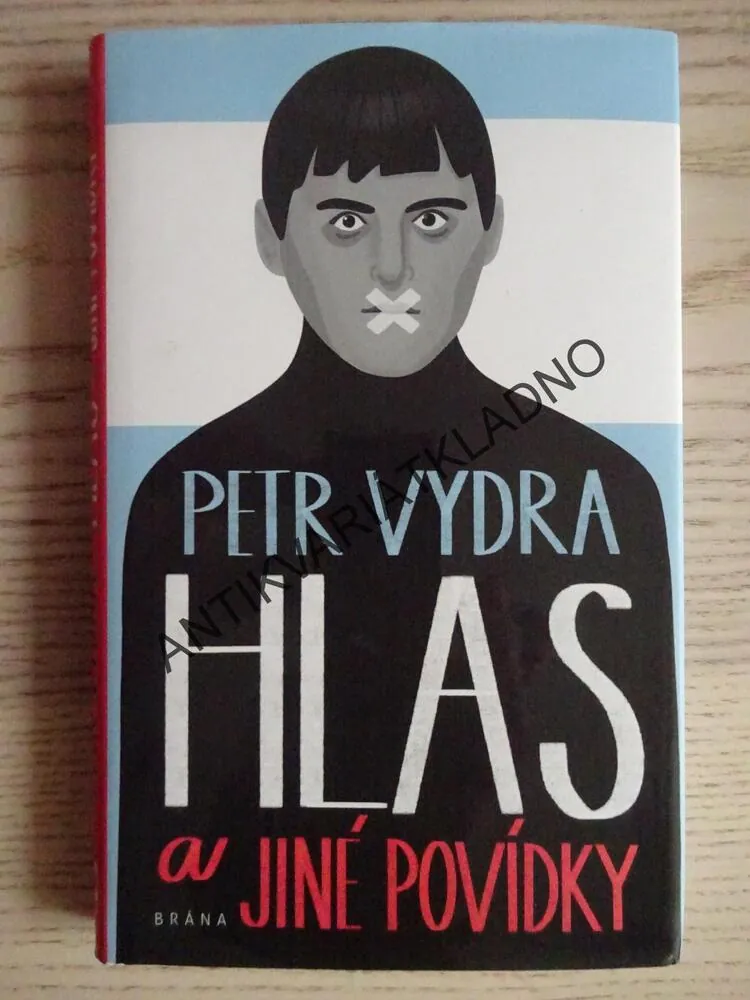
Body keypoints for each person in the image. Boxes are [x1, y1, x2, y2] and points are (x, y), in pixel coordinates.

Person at [116, 46, 679, 968]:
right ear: (271, 238)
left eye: (432, 218)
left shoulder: (605, 488)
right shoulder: (184, 493)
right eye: (344, 221)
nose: (390, 268)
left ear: (491, 230)